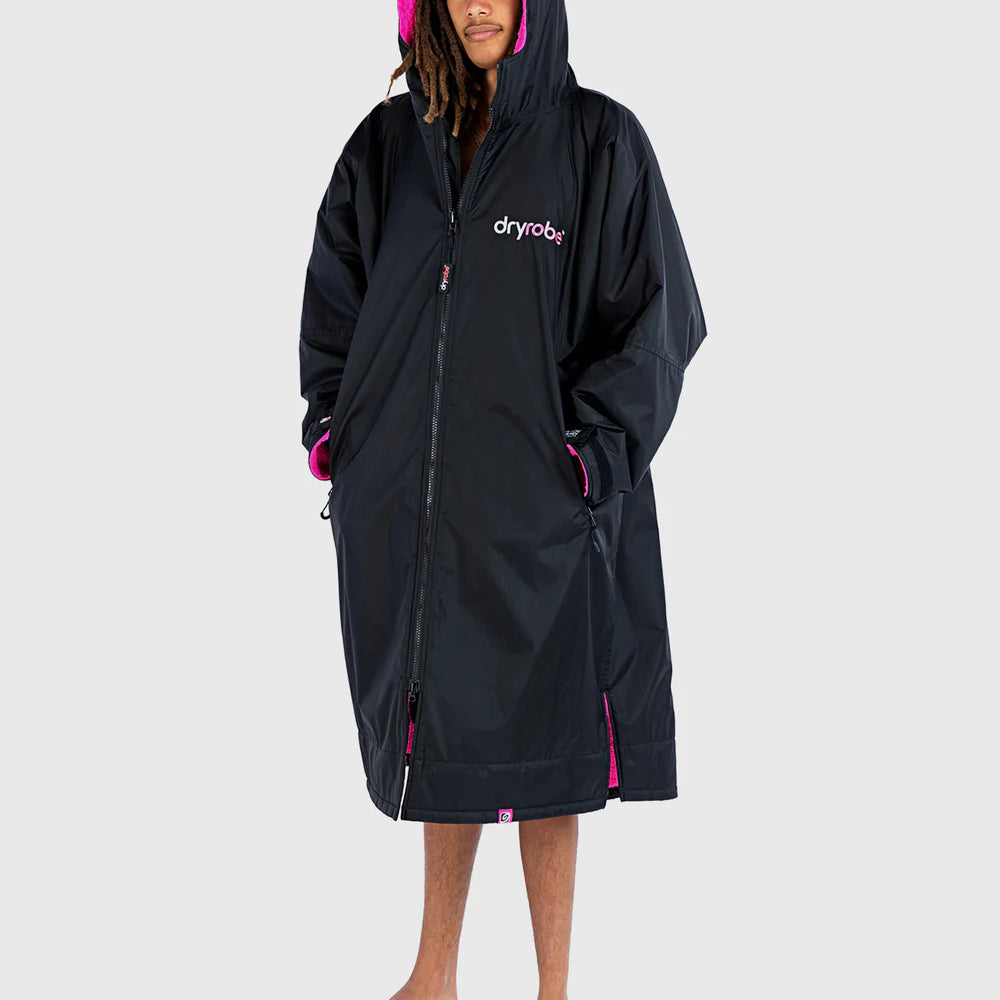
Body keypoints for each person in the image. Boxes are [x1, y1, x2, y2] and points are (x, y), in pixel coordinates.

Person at [298, 1, 707, 996]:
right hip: (418, 514)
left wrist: (583, 463)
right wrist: (336, 436)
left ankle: (552, 990)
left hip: (545, 521)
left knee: (547, 749)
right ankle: (432, 974)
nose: (476, 4)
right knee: (438, 731)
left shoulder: (598, 142)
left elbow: (660, 325)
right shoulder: (386, 148)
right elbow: (334, 307)